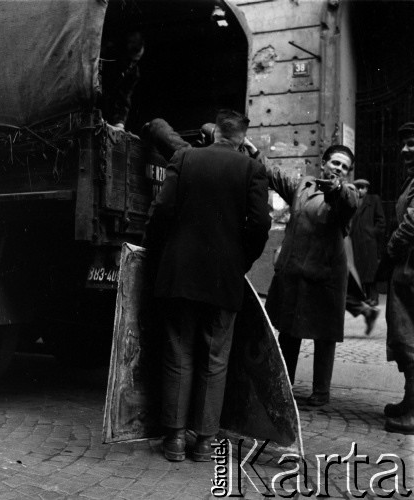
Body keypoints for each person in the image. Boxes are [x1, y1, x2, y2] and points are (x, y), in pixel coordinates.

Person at [144, 109, 270, 461]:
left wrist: (161, 254)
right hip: (224, 279)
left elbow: (162, 209)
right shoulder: (252, 169)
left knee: (178, 353)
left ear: (215, 132)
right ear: (241, 137)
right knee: (216, 359)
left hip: (180, 273)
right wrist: (238, 261)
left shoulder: (184, 158)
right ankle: (205, 442)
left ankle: (174, 440)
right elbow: (260, 225)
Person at [265, 145, 358, 407]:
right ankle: (284, 384)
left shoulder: (345, 194)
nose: (338, 169)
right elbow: (276, 174)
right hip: (295, 270)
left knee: (325, 334)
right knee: (289, 329)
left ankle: (321, 392)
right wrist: (251, 151)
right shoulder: (304, 186)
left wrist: (338, 189)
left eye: (344, 167)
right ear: (324, 163)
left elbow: (349, 202)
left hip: (326, 275)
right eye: (335, 163)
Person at [383, 122, 414, 434]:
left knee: (409, 339)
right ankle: (410, 400)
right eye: (404, 143)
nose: (406, 150)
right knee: (405, 337)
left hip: (410, 268)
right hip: (407, 269)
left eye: (412, 143)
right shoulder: (411, 180)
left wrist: (390, 251)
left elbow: (411, 223)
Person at [98, 30, 145, 130]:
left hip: (108, 116)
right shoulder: (104, 58)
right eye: (129, 60)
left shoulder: (133, 72)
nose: (131, 65)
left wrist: (120, 123)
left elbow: (124, 98)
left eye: (135, 61)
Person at [349, 179, 386, 306]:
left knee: (371, 272)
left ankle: (373, 297)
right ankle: (362, 297)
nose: (359, 190)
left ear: (367, 189)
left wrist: (372, 233)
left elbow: (381, 221)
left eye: (362, 187)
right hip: (355, 240)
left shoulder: (373, 200)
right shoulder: (352, 201)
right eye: (357, 187)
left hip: (368, 242)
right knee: (359, 271)